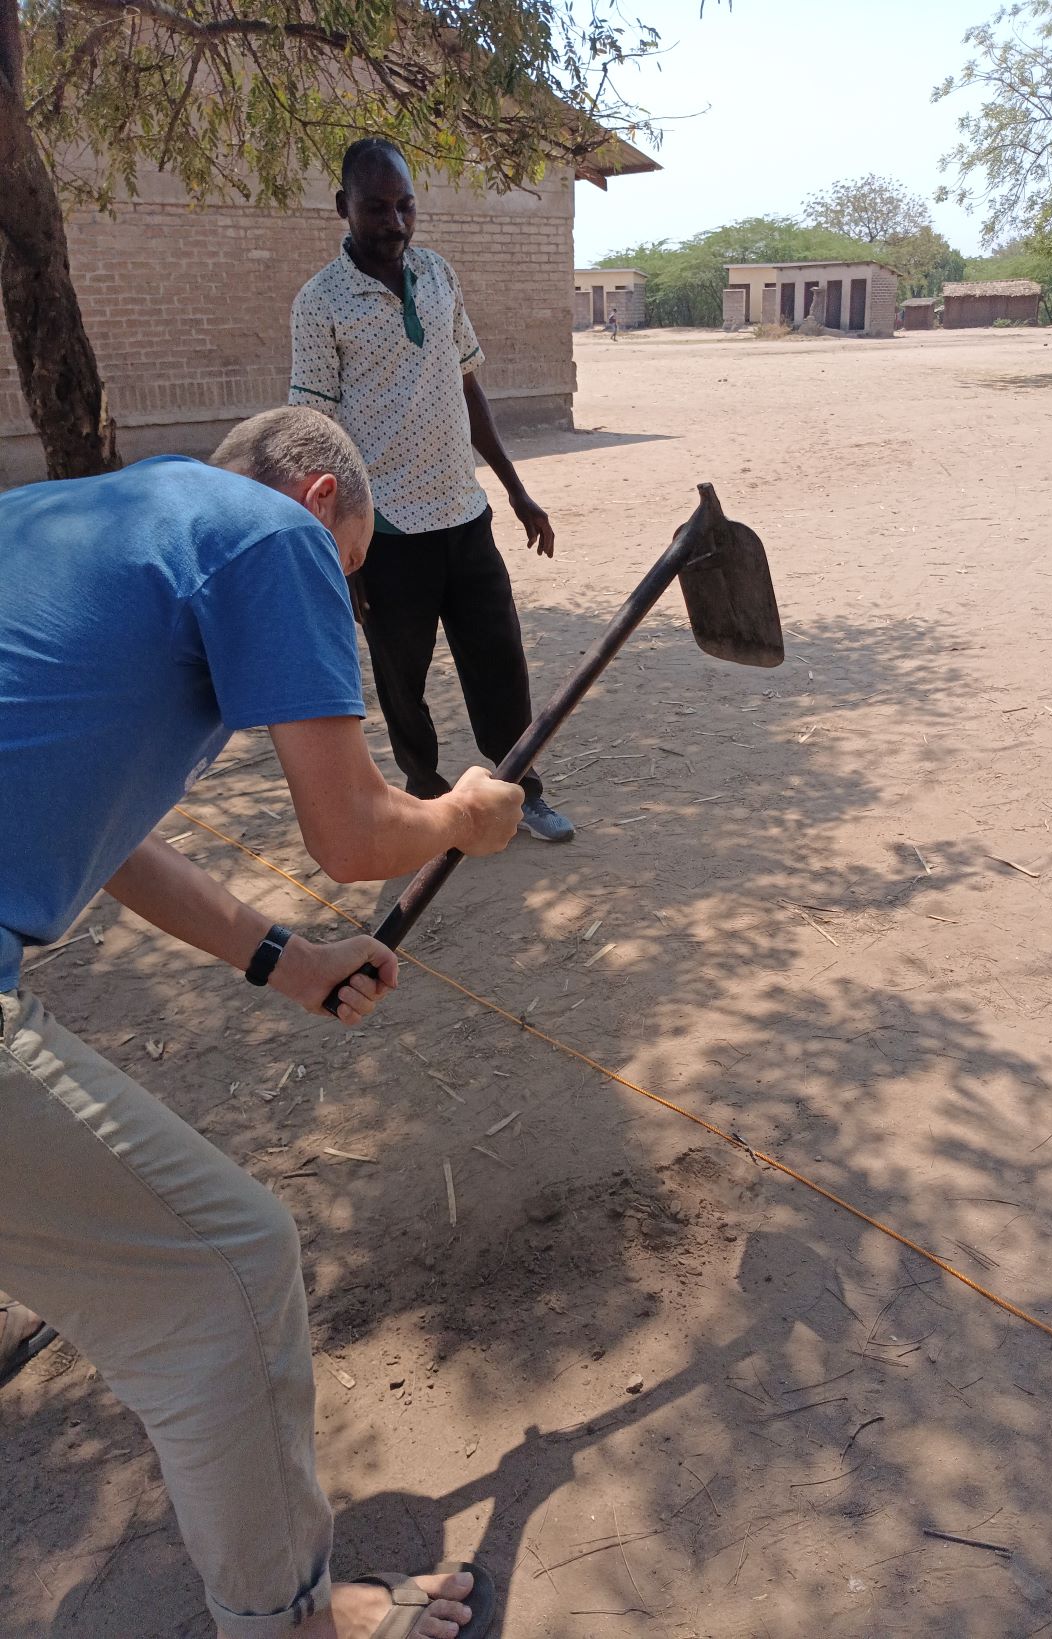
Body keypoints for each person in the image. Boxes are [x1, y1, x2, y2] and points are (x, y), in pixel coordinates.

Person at [0, 407, 516, 1639]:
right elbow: (351, 833)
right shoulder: (268, 534)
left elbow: (106, 835)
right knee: (227, 1266)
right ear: (321, 496)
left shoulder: (69, 523)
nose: (340, 595)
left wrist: (282, 961)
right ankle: (289, 1619)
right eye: (351, 569)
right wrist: (462, 815)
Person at [289, 137, 574, 843]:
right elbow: (316, 434)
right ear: (344, 207)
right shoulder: (320, 303)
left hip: (464, 515)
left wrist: (515, 491)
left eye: (405, 206)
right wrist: (338, 553)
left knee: (500, 664)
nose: (395, 223)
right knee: (402, 682)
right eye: (377, 208)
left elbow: (467, 385)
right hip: (385, 534)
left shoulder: (437, 273)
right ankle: (425, 800)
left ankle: (520, 793)